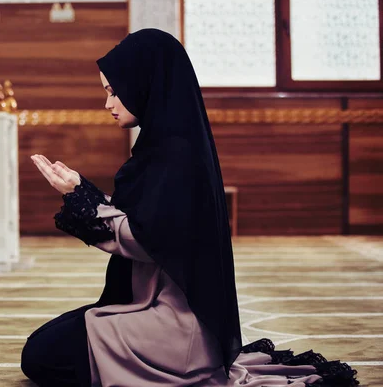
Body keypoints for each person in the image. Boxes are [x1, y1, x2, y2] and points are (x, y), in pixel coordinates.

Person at [21, 28, 358, 387]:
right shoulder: (164, 148)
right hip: (159, 310)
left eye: (114, 92)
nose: (108, 104)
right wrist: (80, 191)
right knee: (45, 343)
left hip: (178, 329)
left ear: (144, 84)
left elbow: (148, 240)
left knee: (43, 356)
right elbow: (145, 222)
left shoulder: (176, 156)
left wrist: (80, 196)